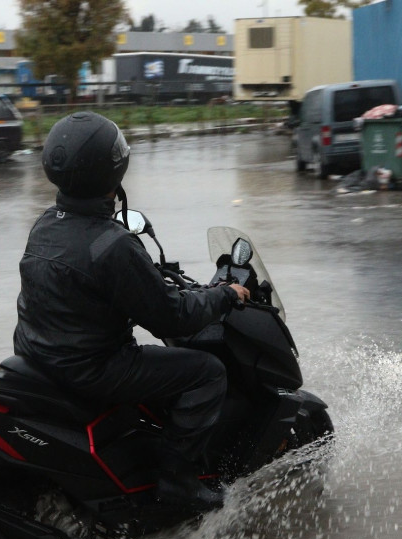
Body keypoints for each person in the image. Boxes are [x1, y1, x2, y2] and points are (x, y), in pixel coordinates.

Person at [13, 111, 248, 512]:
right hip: (92, 370)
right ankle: (178, 482)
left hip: (38, 357)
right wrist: (224, 295)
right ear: (112, 171)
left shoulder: (46, 224)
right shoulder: (112, 245)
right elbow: (170, 318)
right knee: (207, 373)